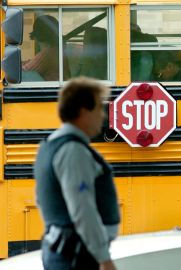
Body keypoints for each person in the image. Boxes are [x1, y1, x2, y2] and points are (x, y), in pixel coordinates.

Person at [34, 77, 120, 270]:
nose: (103, 116)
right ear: (83, 112)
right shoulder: (74, 150)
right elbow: (82, 209)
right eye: (98, 108)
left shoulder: (49, 146)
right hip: (76, 255)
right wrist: (104, 259)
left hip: (64, 250)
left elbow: (41, 197)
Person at [22, 15, 70, 81]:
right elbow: (33, 63)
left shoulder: (49, 53)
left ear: (38, 34)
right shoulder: (56, 50)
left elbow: (25, 70)